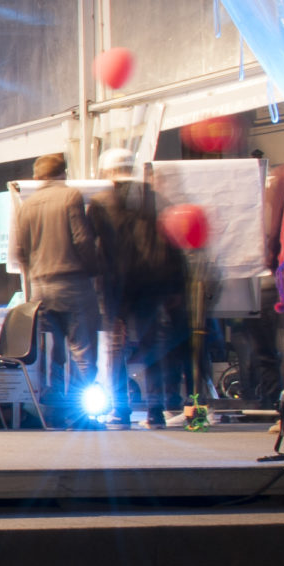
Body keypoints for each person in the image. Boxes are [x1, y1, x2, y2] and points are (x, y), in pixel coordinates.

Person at [94, 151, 188, 428]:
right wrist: (175, 287)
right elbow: (172, 246)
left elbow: (94, 248)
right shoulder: (155, 199)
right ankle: (155, 411)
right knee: (152, 347)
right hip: (152, 285)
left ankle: (120, 411)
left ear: (107, 172)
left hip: (116, 286)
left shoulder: (100, 203)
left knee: (116, 349)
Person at [9, 152, 103, 423]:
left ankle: (54, 409)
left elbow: (19, 251)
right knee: (82, 350)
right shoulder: (70, 196)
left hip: (41, 289)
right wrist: (93, 270)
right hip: (72, 284)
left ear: (37, 177)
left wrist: (35, 276)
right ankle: (80, 412)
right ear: (63, 173)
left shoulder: (27, 205)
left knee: (53, 351)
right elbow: (82, 239)